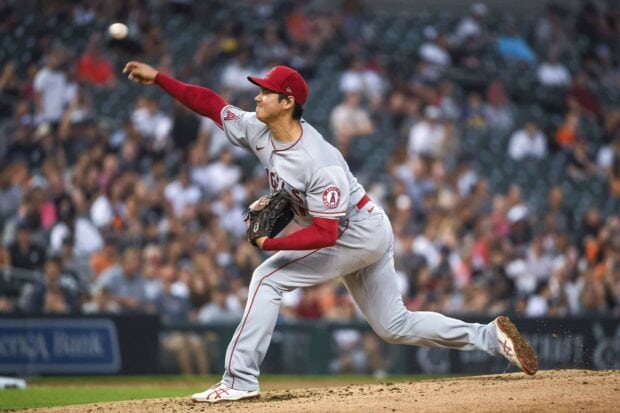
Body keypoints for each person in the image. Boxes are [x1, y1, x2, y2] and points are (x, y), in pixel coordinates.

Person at [122, 61, 539, 403]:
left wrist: (273, 244)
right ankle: (488, 336)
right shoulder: (257, 128)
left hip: (355, 231)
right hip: (364, 226)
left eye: (265, 91)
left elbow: (324, 233)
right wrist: (160, 79)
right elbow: (211, 104)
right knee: (393, 325)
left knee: (267, 276)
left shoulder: (318, 161)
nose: (257, 95)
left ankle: (240, 380)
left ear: (287, 103)